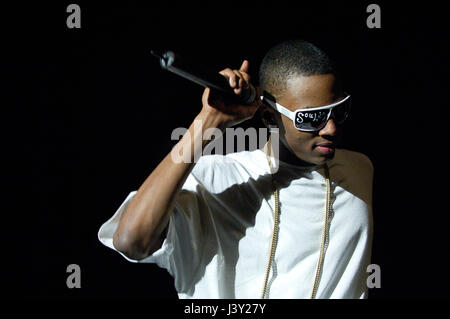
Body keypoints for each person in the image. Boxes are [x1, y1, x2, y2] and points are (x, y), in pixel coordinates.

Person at [98, 39, 374, 299]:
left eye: (338, 110)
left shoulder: (358, 169)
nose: (332, 128)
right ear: (269, 118)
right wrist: (209, 119)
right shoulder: (217, 177)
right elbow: (132, 242)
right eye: (311, 118)